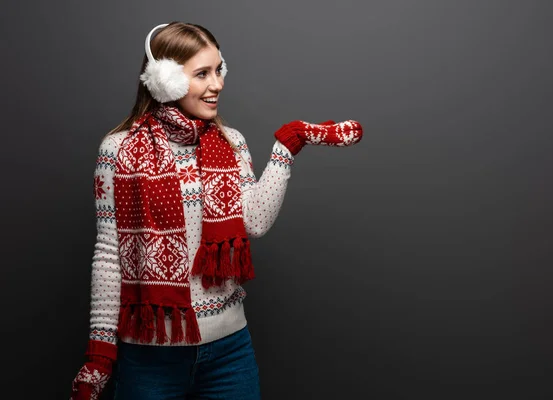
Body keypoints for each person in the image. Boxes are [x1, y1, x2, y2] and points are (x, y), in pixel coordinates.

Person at [69, 21, 363, 400]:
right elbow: (111, 257)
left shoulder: (230, 142)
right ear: (165, 79)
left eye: (219, 70)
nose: (218, 84)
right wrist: (100, 352)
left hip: (229, 353)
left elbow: (254, 222)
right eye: (202, 74)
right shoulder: (118, 150)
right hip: (150, 357)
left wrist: (288, 146)